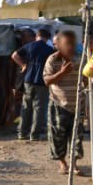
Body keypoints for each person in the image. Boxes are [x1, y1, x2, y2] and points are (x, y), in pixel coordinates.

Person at [43, 30, 84, 174]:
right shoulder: (52, 60)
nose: (71, 47)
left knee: (76, 137)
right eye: (67, 44)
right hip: (58, 105)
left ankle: (74, 164)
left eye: (72, 43)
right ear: (59, 45)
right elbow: (47, 80)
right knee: (58, 137)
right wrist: (62, 73)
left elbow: (86, 77)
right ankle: (62, 163)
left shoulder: (80, 58)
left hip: (77, 105)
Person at [11, 27, 54, 141]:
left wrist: (23, 65)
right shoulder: (50, 50)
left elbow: (14, 55)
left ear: (37, 36)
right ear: (47, 38)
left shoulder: (29, 46)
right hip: (42, 81)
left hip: (28, 80)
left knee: (26, 106)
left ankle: (22, 133)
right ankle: (34, 135)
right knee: (39, 108)